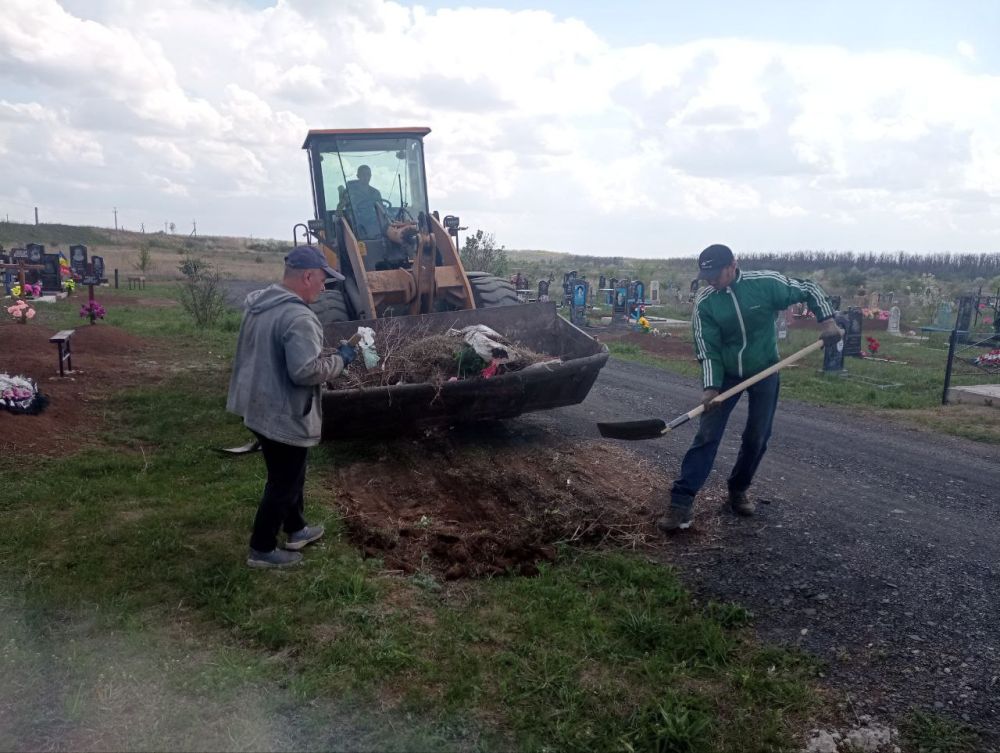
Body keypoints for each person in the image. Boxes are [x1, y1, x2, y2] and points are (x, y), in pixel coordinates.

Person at [658, 244, 843, 533]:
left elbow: (809, 288)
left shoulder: (765, 284)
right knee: (707, 434)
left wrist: (828, 321)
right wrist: (711, 388)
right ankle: (681, 502)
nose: (710, 280)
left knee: (757, 436)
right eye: (705, 274)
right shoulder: (706, 302)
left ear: (732, 265)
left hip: (765, 370)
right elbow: (708, 349)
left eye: (715, 273)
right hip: (727, 375)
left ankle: (738, 489)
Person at [227, 246, 358, 568]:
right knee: (284, 481)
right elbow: (306, 372)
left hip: (256, 404)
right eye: (323, 280)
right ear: (308, 276)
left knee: (289, 472)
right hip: (282, 410)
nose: (324, 287)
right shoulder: (298, 317)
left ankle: (297, 529)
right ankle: (262, 548)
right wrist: (340, 359)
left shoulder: (260, 305)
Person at [342, 164, 384, 239]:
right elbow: (343, 208)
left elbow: (381, 210)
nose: (366, 177)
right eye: (363, 174)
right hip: (357, 224)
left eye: (368, 174)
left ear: (371, 176)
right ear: (358, 176)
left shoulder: (375, 192)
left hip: (374, 223)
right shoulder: (349, 192)